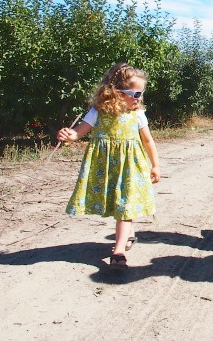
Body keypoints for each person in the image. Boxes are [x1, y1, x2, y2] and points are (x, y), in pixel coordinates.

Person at [57, 62, 161, 270]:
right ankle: (128, 235)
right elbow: (79, 132)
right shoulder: (98, 111)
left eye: (141, 94)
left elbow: (148, 141)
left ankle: (119, 251)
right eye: (136, 93)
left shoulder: (137, 114)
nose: (139, 99)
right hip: (106, 168)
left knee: (125, 206)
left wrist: (155, 165)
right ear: (116, 92)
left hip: (130, 167)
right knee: (117, 204)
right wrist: (68, 136)